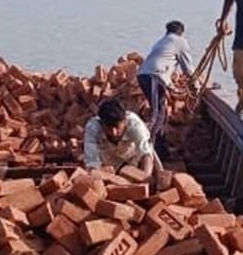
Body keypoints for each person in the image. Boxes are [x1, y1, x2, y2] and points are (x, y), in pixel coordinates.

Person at [137, 20, 195, 158]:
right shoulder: (180, 41)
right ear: (181, 32)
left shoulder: (161, 41)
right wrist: (196, 86)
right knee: (158, 114)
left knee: (161, 112)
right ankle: (144, 144)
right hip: (154, 77)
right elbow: (188, 68)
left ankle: (161, 149)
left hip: (146, 75)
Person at [82, 97, 161, 178]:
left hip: (132, 158)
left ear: (125, 120)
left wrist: (144, 178)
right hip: (109, 163)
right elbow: (92, 162)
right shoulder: (93, 128)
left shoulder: (135, 125)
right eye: (109, 128)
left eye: (117, 127)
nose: (114, 132)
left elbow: (146, 154)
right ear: (101, 123)